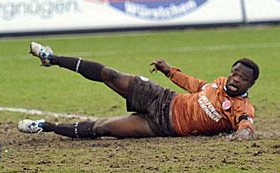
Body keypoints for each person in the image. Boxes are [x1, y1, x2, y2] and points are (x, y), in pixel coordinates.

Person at [18, 42, 258, 141]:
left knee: (104, 127)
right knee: (111, 75)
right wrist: (168, 71)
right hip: (161, 97)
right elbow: (195, 84)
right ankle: (52, 58)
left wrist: (243, 134)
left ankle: (44, 126)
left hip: (162, 127)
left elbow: (245, 123)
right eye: (235, 73)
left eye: (242, 79)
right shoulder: (217, 83)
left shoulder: (241, 107)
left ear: (250, 85)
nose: (236, 79)